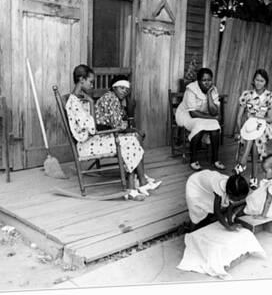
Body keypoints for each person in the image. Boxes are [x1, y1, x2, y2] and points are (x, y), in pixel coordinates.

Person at [65, 65, 160, 201]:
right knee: (130, 140)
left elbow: (92, 122)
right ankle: (133, 187)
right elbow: (91, 127)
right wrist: (91, 103)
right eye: (90, 82)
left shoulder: (80, 98)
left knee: (131, 139)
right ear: (81, 79)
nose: (92, 85)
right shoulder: (74, 102)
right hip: (86, 144)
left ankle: (135, 185)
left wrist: (90, 102)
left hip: (93, 139)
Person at [233, 68, 272, 189]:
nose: (259, 83)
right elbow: (239, 117)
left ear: (266, 82)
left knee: (255, 136)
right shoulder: (247, 95)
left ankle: (242, 163)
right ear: (253, 80)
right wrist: (240, 131)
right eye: (257, 80)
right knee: (254, 139)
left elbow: (270, 119)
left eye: (262, 81)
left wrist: (254, 116)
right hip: (249, 128)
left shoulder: (270, 97)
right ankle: (253, 178)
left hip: (264, 127)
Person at [175, 68, 225, 171]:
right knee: (199, 125)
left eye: (209, 80)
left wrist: (209, 95)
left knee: (215, 125)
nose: (207, 83)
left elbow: (214, 111)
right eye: (204, 80)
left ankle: (215, 159)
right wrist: (212, 117)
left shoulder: (213, 90)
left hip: (203, 115)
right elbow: (193, 113)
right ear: (198, 81)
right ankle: (193, 160)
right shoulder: (191, 89)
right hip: (186, 115)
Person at [185, 170, 249, 232]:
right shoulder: (218, 189)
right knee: (196, 212)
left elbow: (230, 205)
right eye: (238, 199)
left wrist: (230, 222)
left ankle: (201, 222)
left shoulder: (232, 186)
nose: (239, 200)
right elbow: (217, 212)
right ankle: (191, 229)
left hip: (207, 185)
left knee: (207, 206)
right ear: (230, 193)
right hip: (196, 186)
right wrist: (228, 227)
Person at [242, 153, 272, 218]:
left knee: (252, 202)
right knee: (254, 196)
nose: (263, 173)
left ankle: (255, 211)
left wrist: (263, 216)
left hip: (269, 209)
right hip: (271, 203)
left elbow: (268, 201)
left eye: (265, 171)